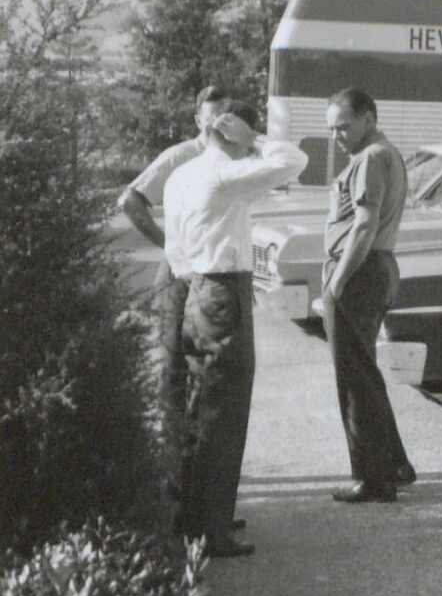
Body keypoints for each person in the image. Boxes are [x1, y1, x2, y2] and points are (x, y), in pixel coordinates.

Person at [163, 102, 308, 557]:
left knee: (199, 407)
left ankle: (202, 514)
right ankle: (210, 529)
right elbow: (294, 161)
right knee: (223, 412)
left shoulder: (181, 175)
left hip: (194, 287)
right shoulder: (223, 175)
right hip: (224, 291)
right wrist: (256, 139)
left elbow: (174, 246)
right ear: (234, 132)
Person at [118, 86, 230, 489]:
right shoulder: (180, 156)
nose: (219, 122)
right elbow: (130, 200)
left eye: (226, 115)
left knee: (207, 377)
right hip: (179, 277)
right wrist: (170, 243)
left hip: (213, 280)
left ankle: (198, 487)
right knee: (172, 374)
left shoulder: (236, 158)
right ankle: (168, 485)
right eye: (212, 115)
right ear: (198, 119)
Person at [323, 88, 414, 503]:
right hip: (372, 269)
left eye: (344, 126)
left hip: (360, 272)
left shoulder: (371, 157)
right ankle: (393, 464)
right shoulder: (380, 153)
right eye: (332, 129)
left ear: (369, 118)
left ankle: (372, 479)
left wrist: (337, 282)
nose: (337, 136)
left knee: (354, 379)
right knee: (365, 373)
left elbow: (364, 224)